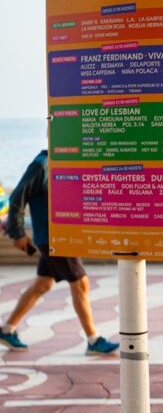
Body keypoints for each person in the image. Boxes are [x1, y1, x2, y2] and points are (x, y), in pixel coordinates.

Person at [0, 151, 119, 355]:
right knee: (80, 283)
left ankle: (7, 330)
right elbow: (18, 194)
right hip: (53, 237)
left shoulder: (62, 160)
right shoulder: (41, 163)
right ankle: (93, 340)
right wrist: (17, 232)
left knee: (43, 284)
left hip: (60, 234)